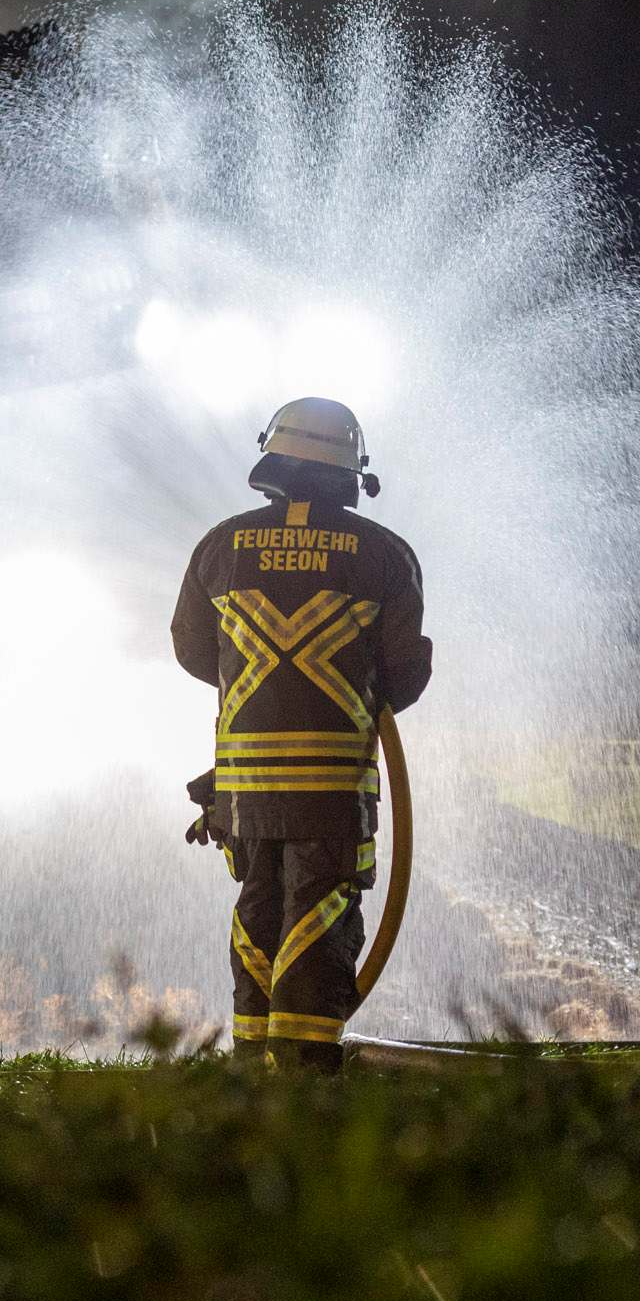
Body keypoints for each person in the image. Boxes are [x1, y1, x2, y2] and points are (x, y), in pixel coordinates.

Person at [172, 397, 432, 1071]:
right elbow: (403, 677)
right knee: (320, 913)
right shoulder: (384, 555)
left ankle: (252, 1067)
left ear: (274, 460)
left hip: (246, 786)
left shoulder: (220, 546)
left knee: (258, 906)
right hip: (332, 784)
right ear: (353, 473)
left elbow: (194, 651)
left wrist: (263, 698)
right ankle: (306, 1076)